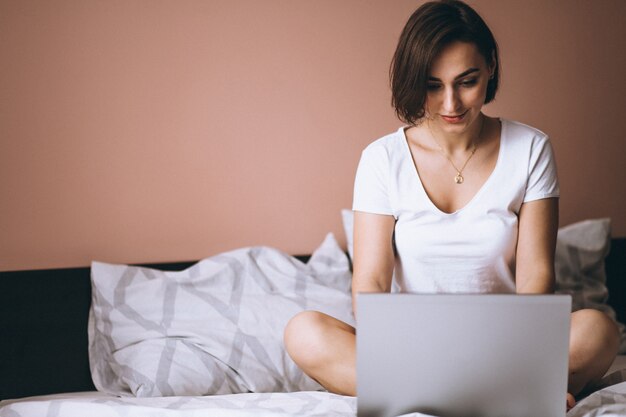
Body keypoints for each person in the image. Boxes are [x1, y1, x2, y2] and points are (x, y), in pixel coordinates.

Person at [283, 0, 620, 410]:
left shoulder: (531, 148)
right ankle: (494, 394)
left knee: (599, 330)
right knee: (303, 331)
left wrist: (522, 353)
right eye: (432, 85)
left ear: (490, 67)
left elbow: (536, 275)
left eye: (467, 81)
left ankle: (449, 392)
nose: (450, 104)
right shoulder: (382, 158)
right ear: (413, 80)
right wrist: (400, 349)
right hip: (412, 351)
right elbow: (370, 280)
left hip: (505, 348)